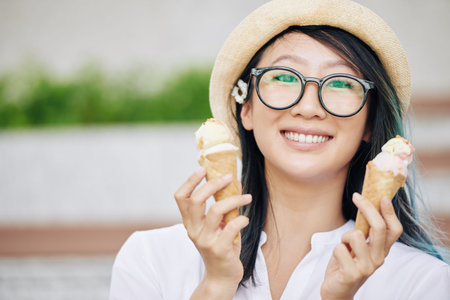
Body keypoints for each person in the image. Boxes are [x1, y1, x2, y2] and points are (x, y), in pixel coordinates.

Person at [109, 0, 450, 299]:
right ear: (246, 108)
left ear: (371, 123)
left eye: (342, 83)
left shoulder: (423, 283)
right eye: (285, 77)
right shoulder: (151, 258)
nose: (308, 106)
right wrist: (215, 285)